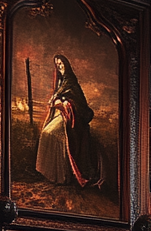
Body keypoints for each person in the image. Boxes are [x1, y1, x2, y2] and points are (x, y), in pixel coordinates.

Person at [35, 54, 104, 189]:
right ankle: (50, 173)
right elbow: (55, 99)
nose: (60, 66)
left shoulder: (71, 82)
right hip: (61, 115)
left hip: (72, 117)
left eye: (61, 63)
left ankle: (63, 175)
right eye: (57, 64)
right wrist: (57, 102)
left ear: (66, 65)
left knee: (53, 134)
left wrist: (65, 103)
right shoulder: (60, 82)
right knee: (46, 133)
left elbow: (79, 104)